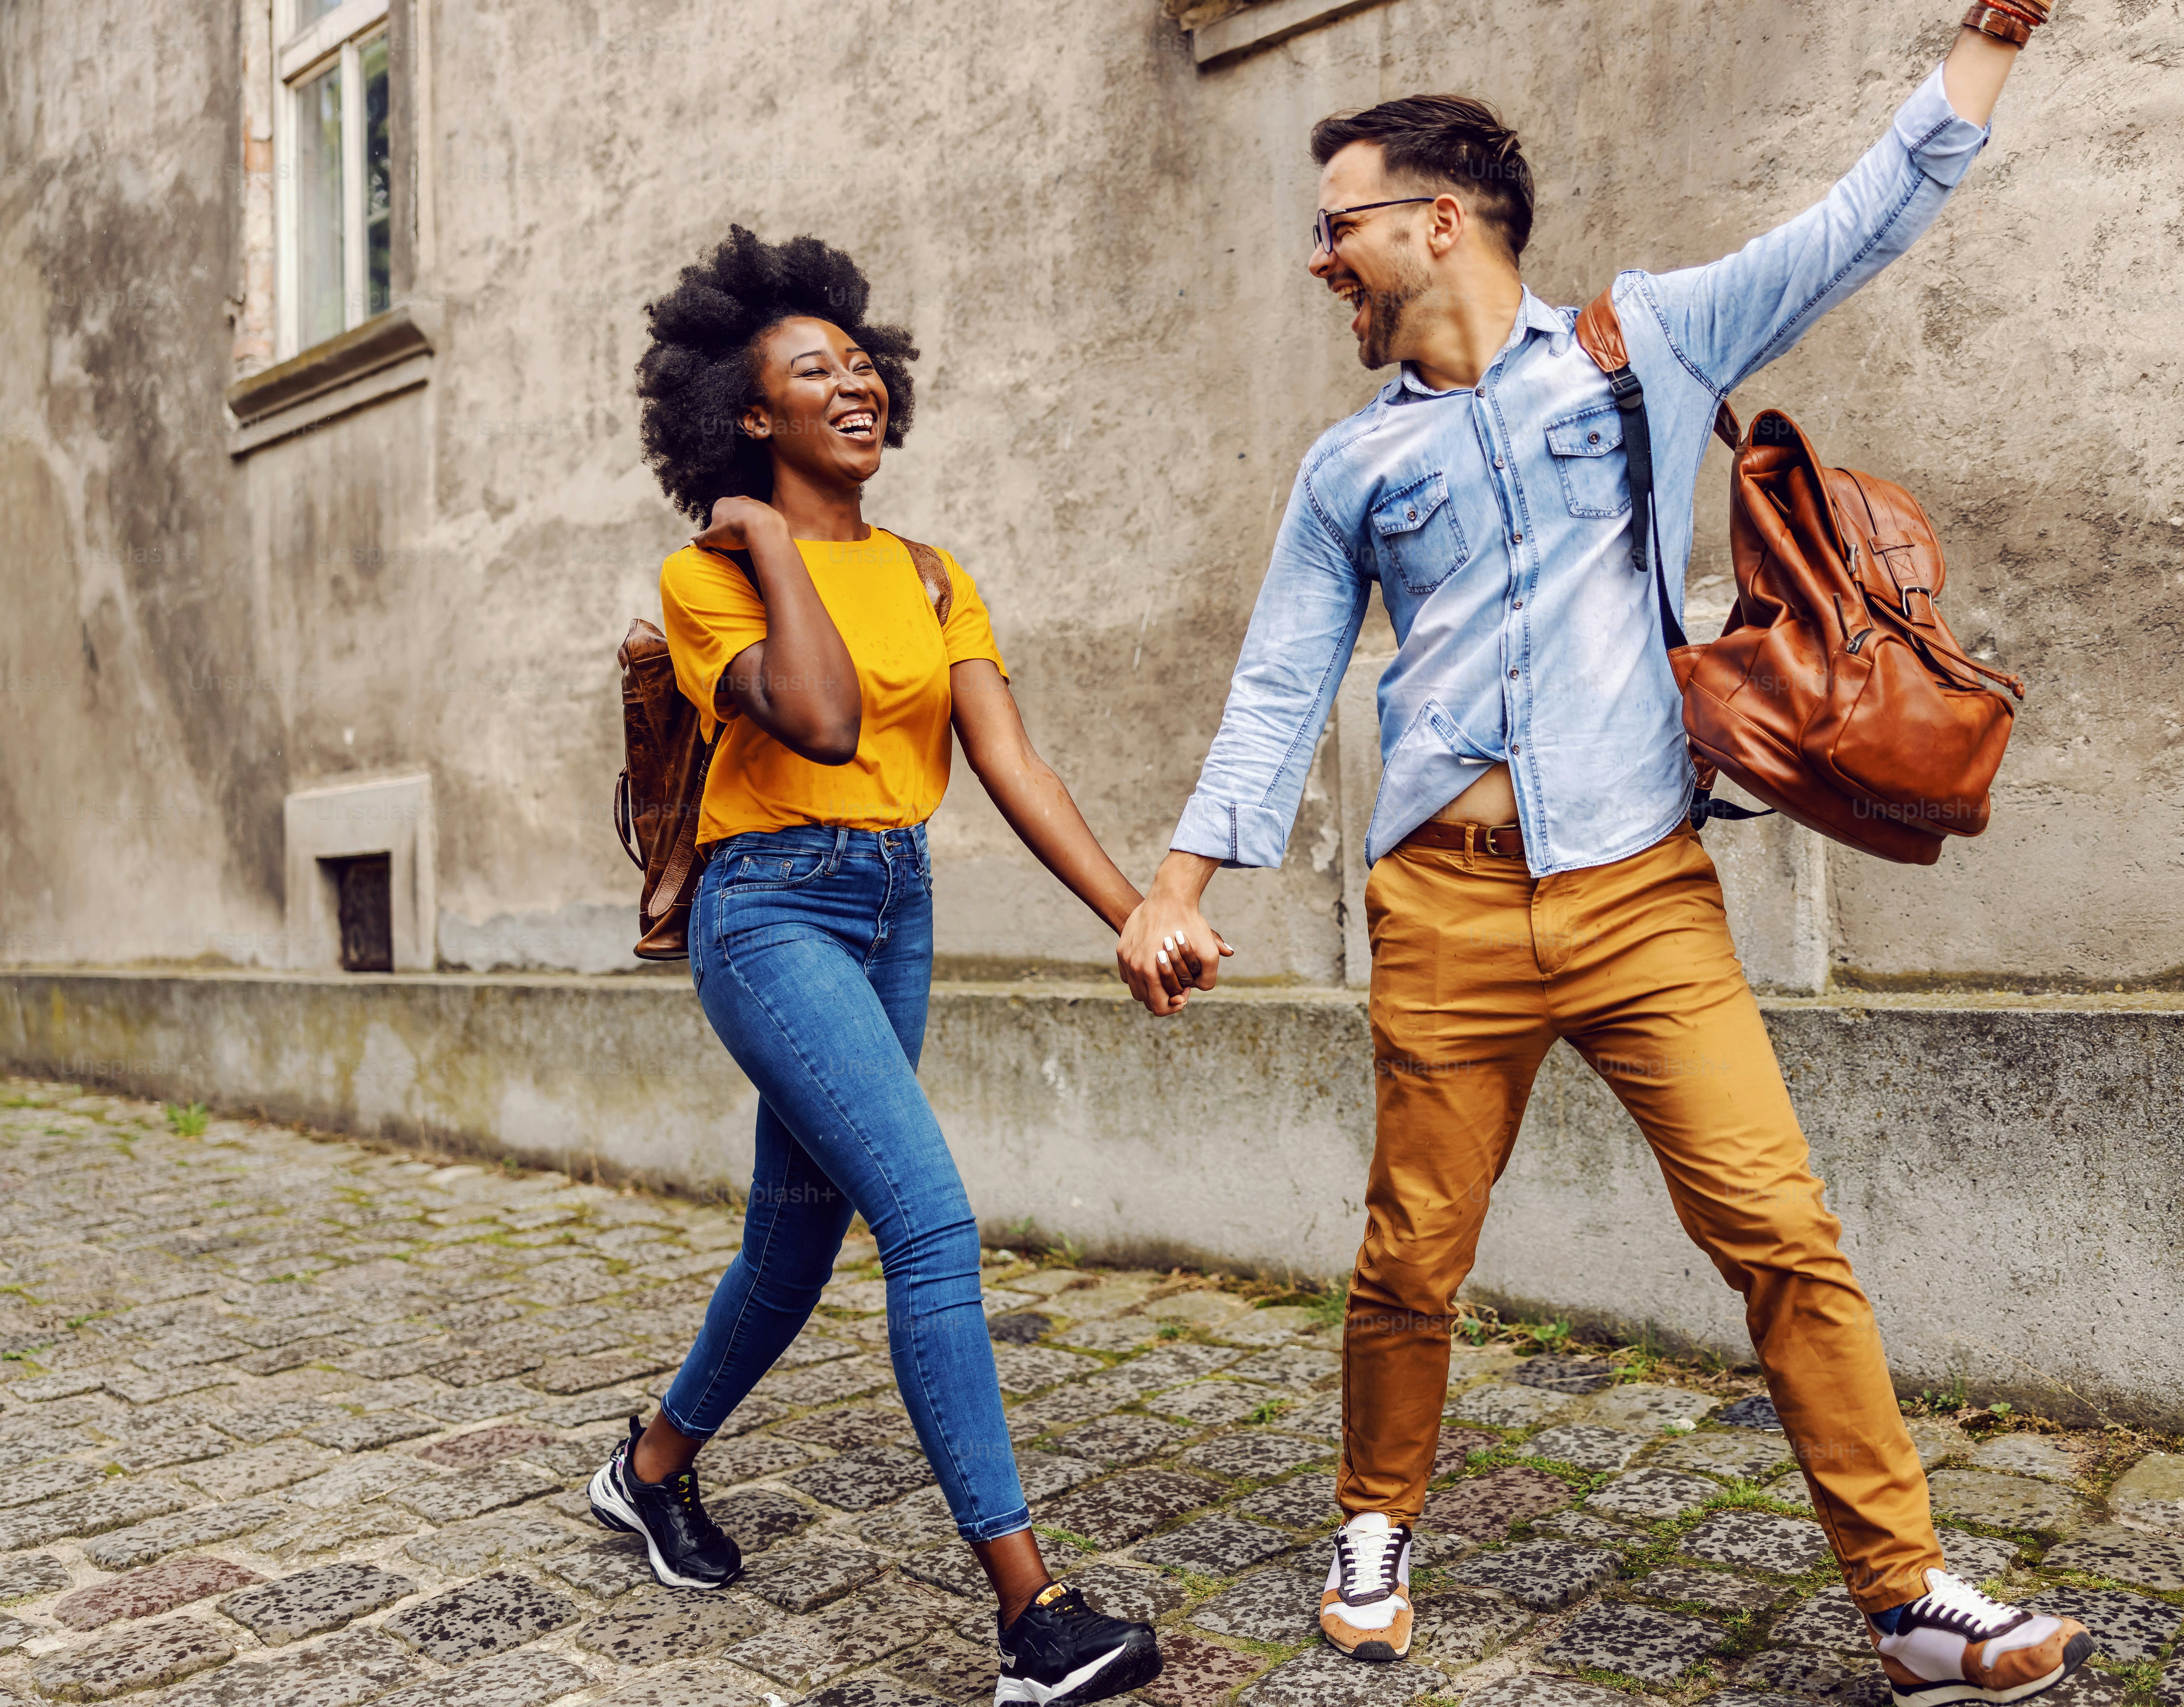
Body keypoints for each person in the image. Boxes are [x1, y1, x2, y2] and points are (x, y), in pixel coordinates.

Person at [1115, 7, 2095, 1703]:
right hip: (1446, 899)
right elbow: (1280, 681)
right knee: (1412, 1251)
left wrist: (1992, 40)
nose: (1317, 260)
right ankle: (1374, 1519)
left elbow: (1865, 214)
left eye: (1336, 222)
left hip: (1644, 896)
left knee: (1782, 1236)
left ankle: (1909, 1595)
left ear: (1437, 219)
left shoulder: (1649, 342)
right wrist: (1180, 889)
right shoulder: (1350, 463)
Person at [592, 226, 1161, 1707]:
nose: (853, 387)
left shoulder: (930, 571)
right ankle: (1032, 1619)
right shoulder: (704, 575)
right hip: (767, 912)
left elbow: (1008, 759)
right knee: (925, 1214)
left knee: (793, 1239)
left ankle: (649, 1467)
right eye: (811, 375)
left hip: (893, 903)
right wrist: (773, 545)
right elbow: (827, 722)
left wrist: (1130, 908)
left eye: (860, 365)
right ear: (748, 417)